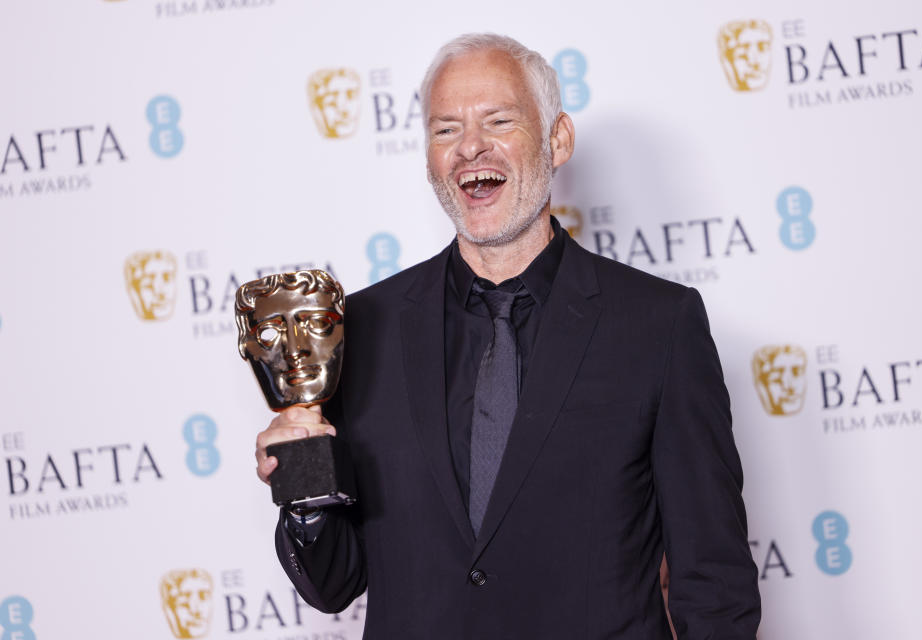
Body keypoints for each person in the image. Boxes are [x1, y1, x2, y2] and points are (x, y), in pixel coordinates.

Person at [255, 33, 761, 639]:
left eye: (498, 120)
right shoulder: (359, 331)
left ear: (557, 140)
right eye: (445, 130)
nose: (470, 146)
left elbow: (715, 579)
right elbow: (335, 585)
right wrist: (306, 482)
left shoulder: (659, 324)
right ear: (427, 158)